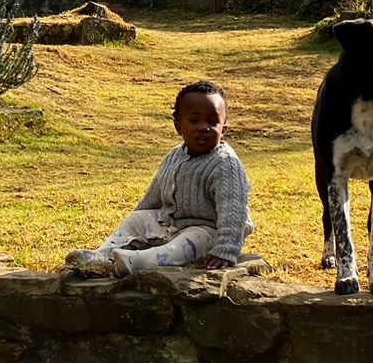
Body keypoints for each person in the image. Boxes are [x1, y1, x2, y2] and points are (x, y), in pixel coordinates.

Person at [65, 80, 253, 275]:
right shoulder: (174, 156)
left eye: (212, 122)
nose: (203, 127)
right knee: (136, 220)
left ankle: (133, 262)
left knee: (183, 246)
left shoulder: (225, 164)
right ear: (178, 127)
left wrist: (226, 250)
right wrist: (139, 222)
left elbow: (234, 211)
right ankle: (103, 256)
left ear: (223, 130)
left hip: (208, 232)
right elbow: (153, 198)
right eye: (194, 121)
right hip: (171, 225)